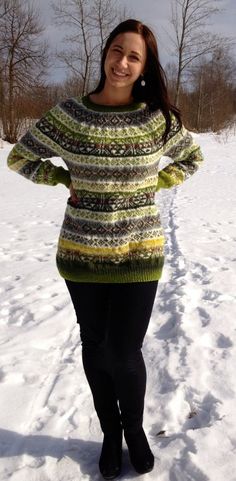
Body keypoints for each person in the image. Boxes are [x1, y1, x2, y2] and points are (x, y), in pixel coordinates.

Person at [7, 18, 204, 480]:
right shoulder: (70, 115)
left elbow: (193, 158)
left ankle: (133, 429)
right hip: (80, 254)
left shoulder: (156, 119)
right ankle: (110, 432)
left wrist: (161, 179)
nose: (122, 62)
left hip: (140, 251)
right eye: (117, 50)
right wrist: (58, 177)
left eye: (133, 56)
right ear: (105, 54)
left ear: (144, 67)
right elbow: (20, 156)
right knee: (95, 346)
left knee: (125, 350)